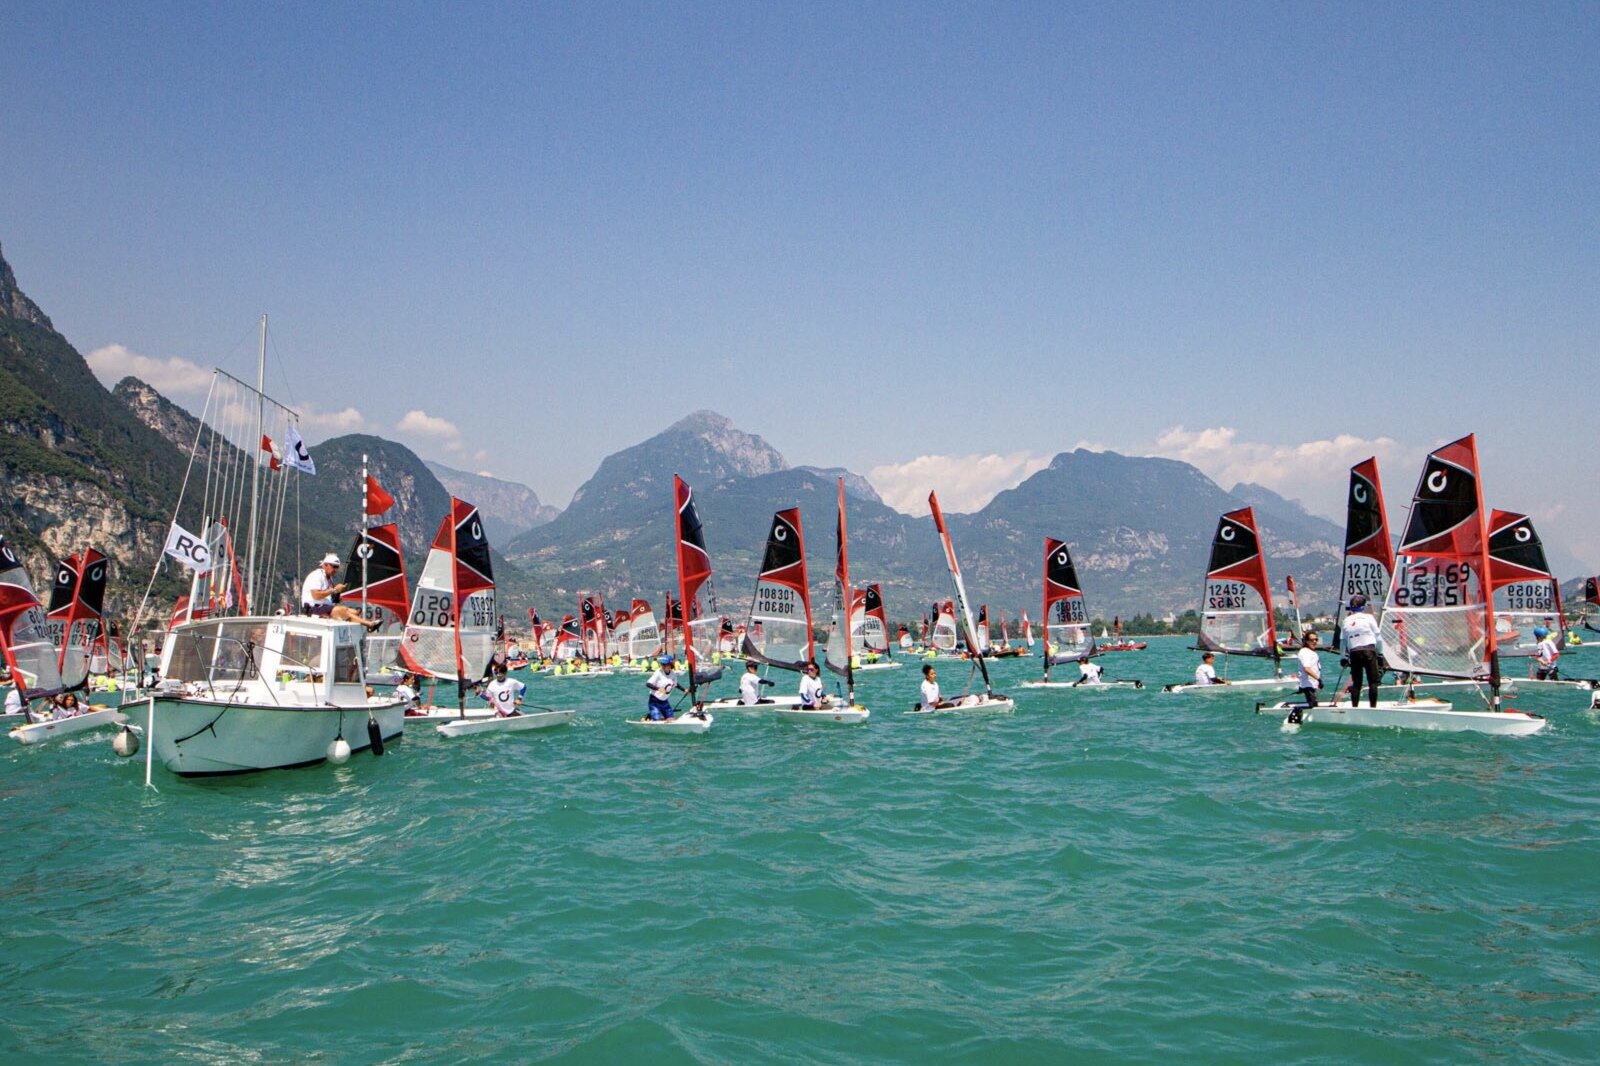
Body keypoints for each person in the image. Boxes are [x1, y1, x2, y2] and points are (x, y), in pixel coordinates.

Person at [301, 554, 380, 631]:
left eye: (337, 567)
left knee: (354, 612)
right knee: (342, 610)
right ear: (325, 565)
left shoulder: (329, 578)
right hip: (313, 608)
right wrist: (334, 590)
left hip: (323, 606)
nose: (335, 570)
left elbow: (328, 596)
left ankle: (358, 629)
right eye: (334, 566)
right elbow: (316, 596)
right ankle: (370, 624)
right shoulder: (317, 575)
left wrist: (337, 596)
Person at [1340, 594, 1383, 708]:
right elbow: (1378, 638)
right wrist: (1380, 654)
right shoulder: (1369, 618)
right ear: (1364, 606)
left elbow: (1343, 641)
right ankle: (1373, 707)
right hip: (1369, 651)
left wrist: (1343, 657)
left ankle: (1355, 707)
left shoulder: (1346, 620)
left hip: (1354, 653)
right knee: (1372, 682)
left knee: (1356, 683)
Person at [646, 654, 682, 720]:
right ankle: (649, 717)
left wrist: (684, 690)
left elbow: (675, 684)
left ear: (670, 665)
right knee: (657, 720)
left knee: (671, 719)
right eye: (663, 664)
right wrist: (658, 689)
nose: (663, 666)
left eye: (665, 664)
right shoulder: (658, 672)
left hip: (664, 701)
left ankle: (652, 716)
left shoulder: (673, 674)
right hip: (654, 701)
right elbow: (648, 684)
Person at [1295, 631, 1323, 707]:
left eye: (1316, 639)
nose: (1314, 641)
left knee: (1314, 704)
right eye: (1312, 640)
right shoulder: (1305, 652)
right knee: (1313, 706)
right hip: (1308, 685)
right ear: (1306, 641)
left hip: (1311, 684)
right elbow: (1307, 669)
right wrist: (1319, 679)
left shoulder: (1310, 652)